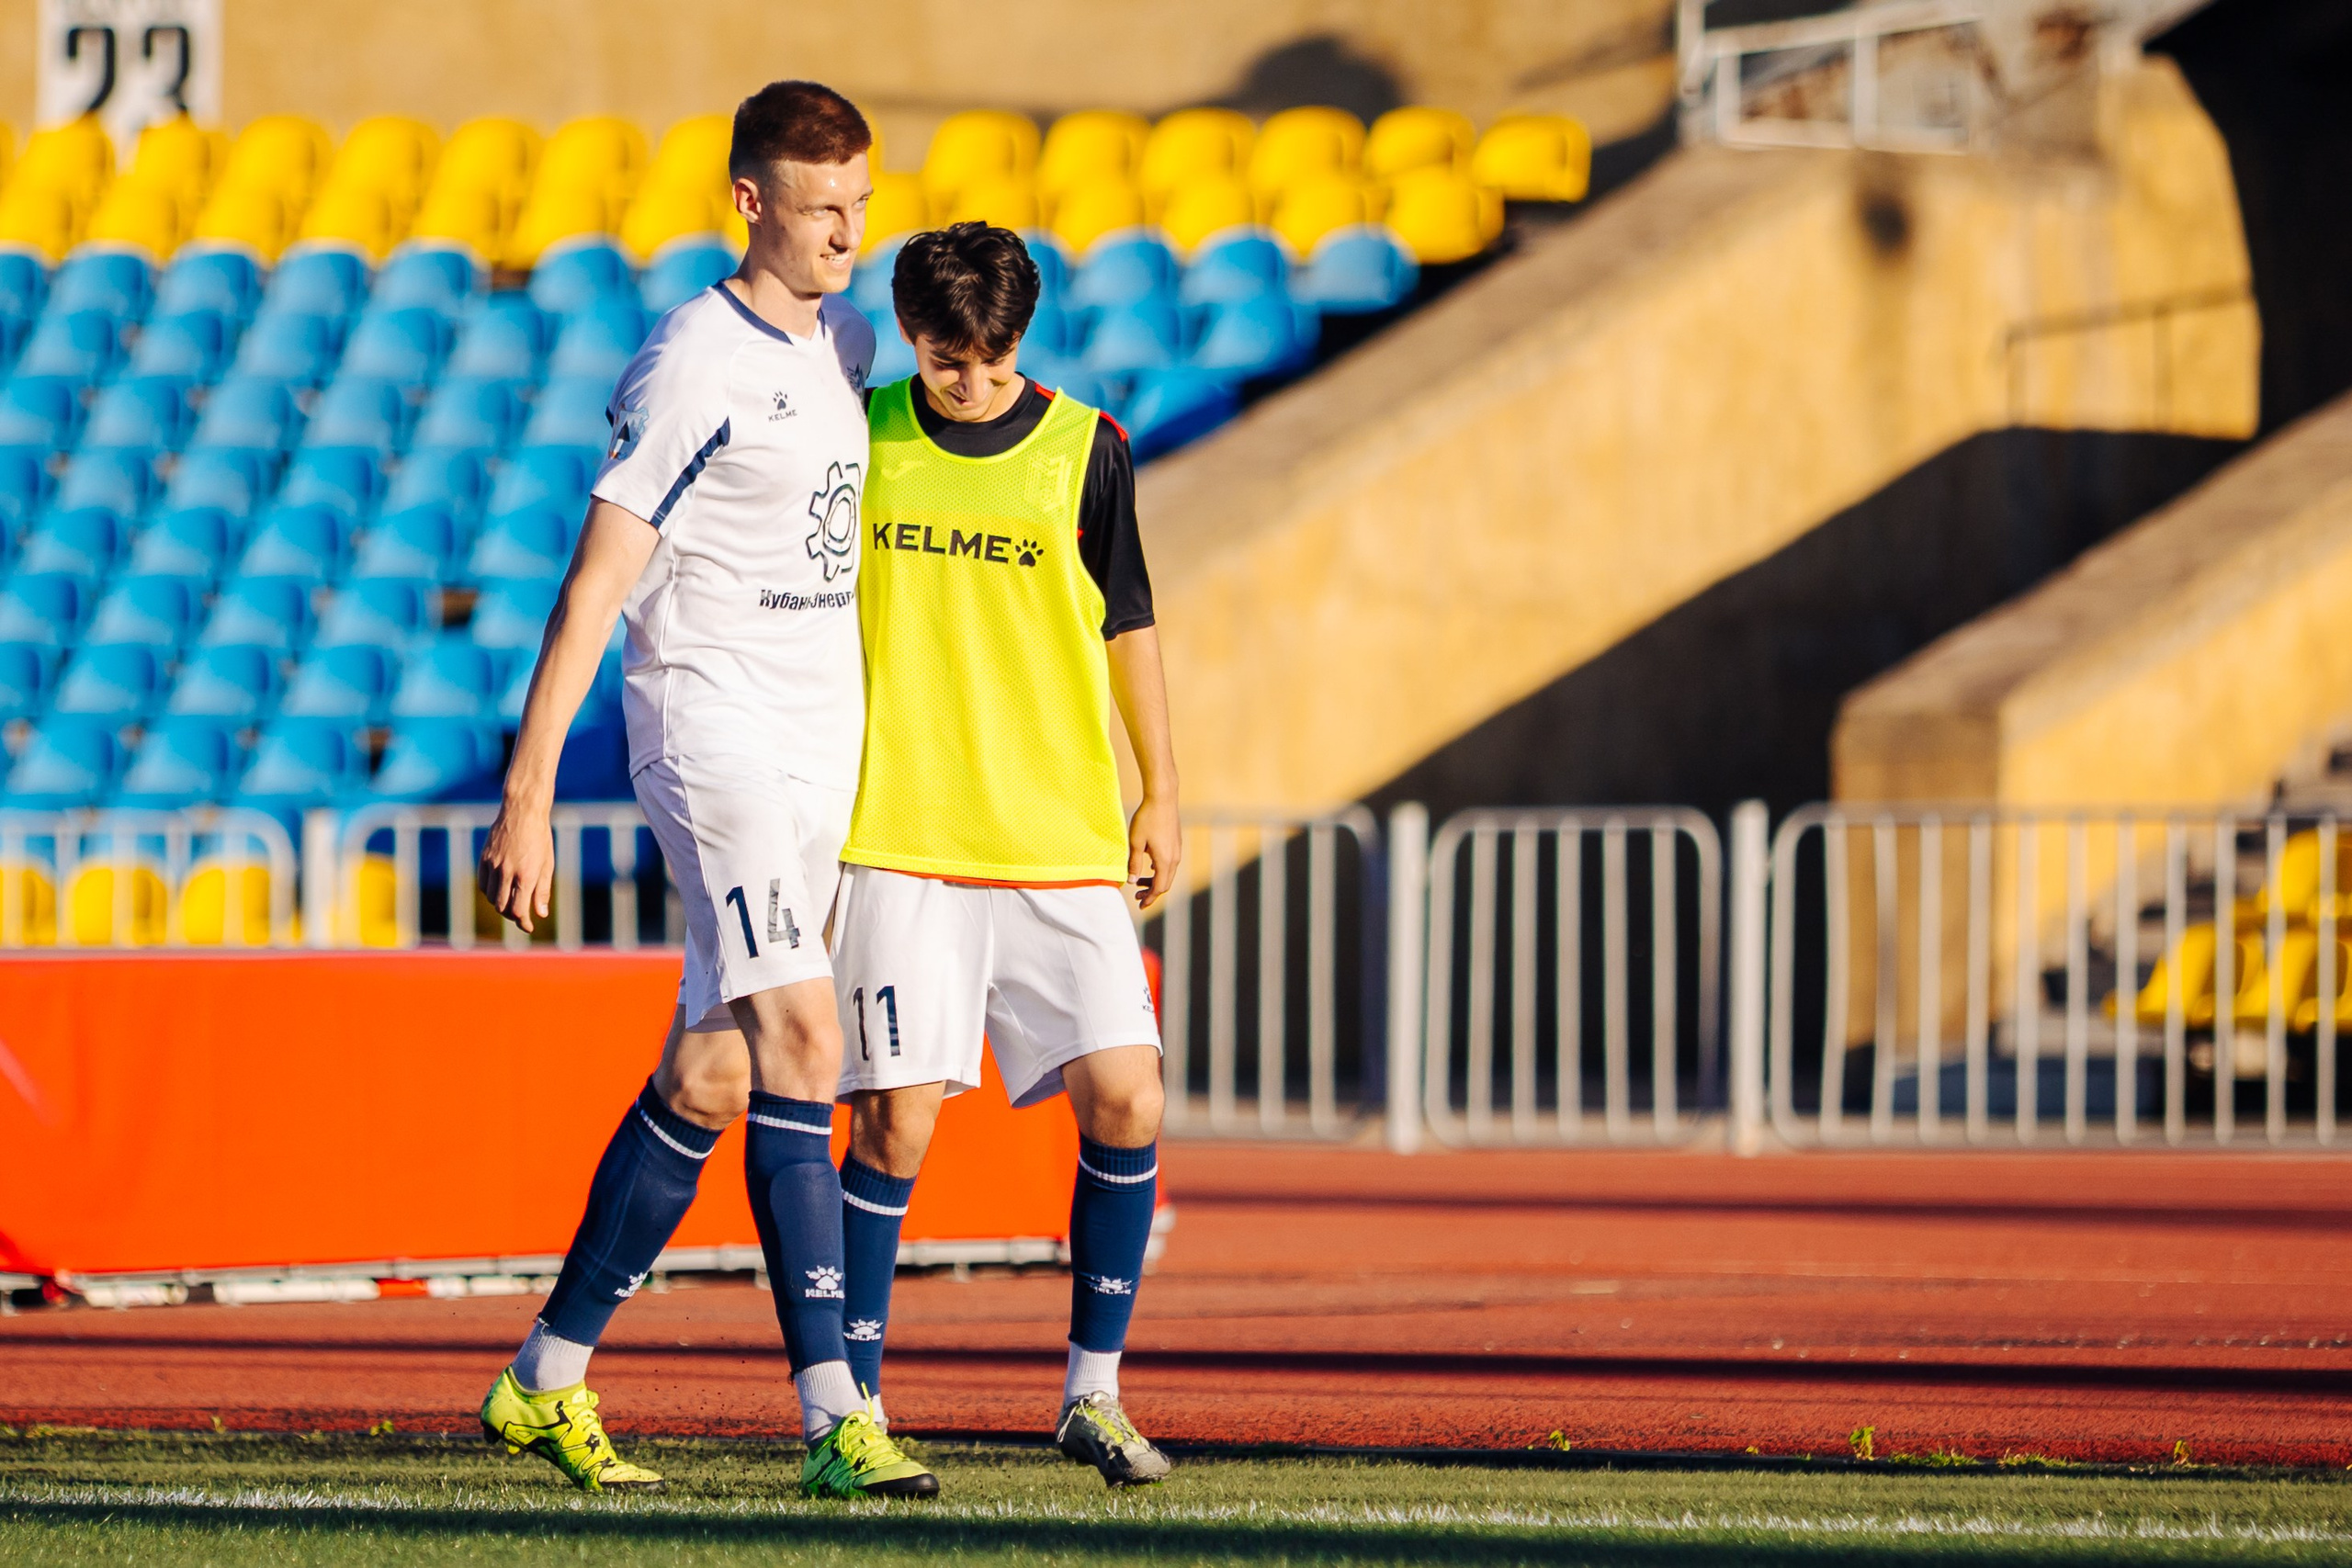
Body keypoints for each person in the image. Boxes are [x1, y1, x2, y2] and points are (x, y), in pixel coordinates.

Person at [472, 80, 935, 1502]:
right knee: (805, 1038)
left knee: (719, 1067)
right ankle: (833, 1420)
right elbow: (597, 584)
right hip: (710, 728)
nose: (847, 232)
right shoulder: (690, 363)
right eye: (820, 208)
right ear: (750, 203)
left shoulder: (851, 338)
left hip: (822, 744)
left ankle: (543, 1380)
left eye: (862, 203)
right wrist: (529, 793)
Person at [829, 220, 1182, 1488]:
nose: (968, 379)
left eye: (989, 357)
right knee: (894, 1126)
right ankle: (853, 1407)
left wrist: (1162, 791)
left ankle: (1093, 1393)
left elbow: (1128, 622)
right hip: (903, 837)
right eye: (943, 356)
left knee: (1132, 1097)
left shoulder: (1090, 449)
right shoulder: (861, 436)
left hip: (1060, 837)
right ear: (911, 335)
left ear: (1021, 338)